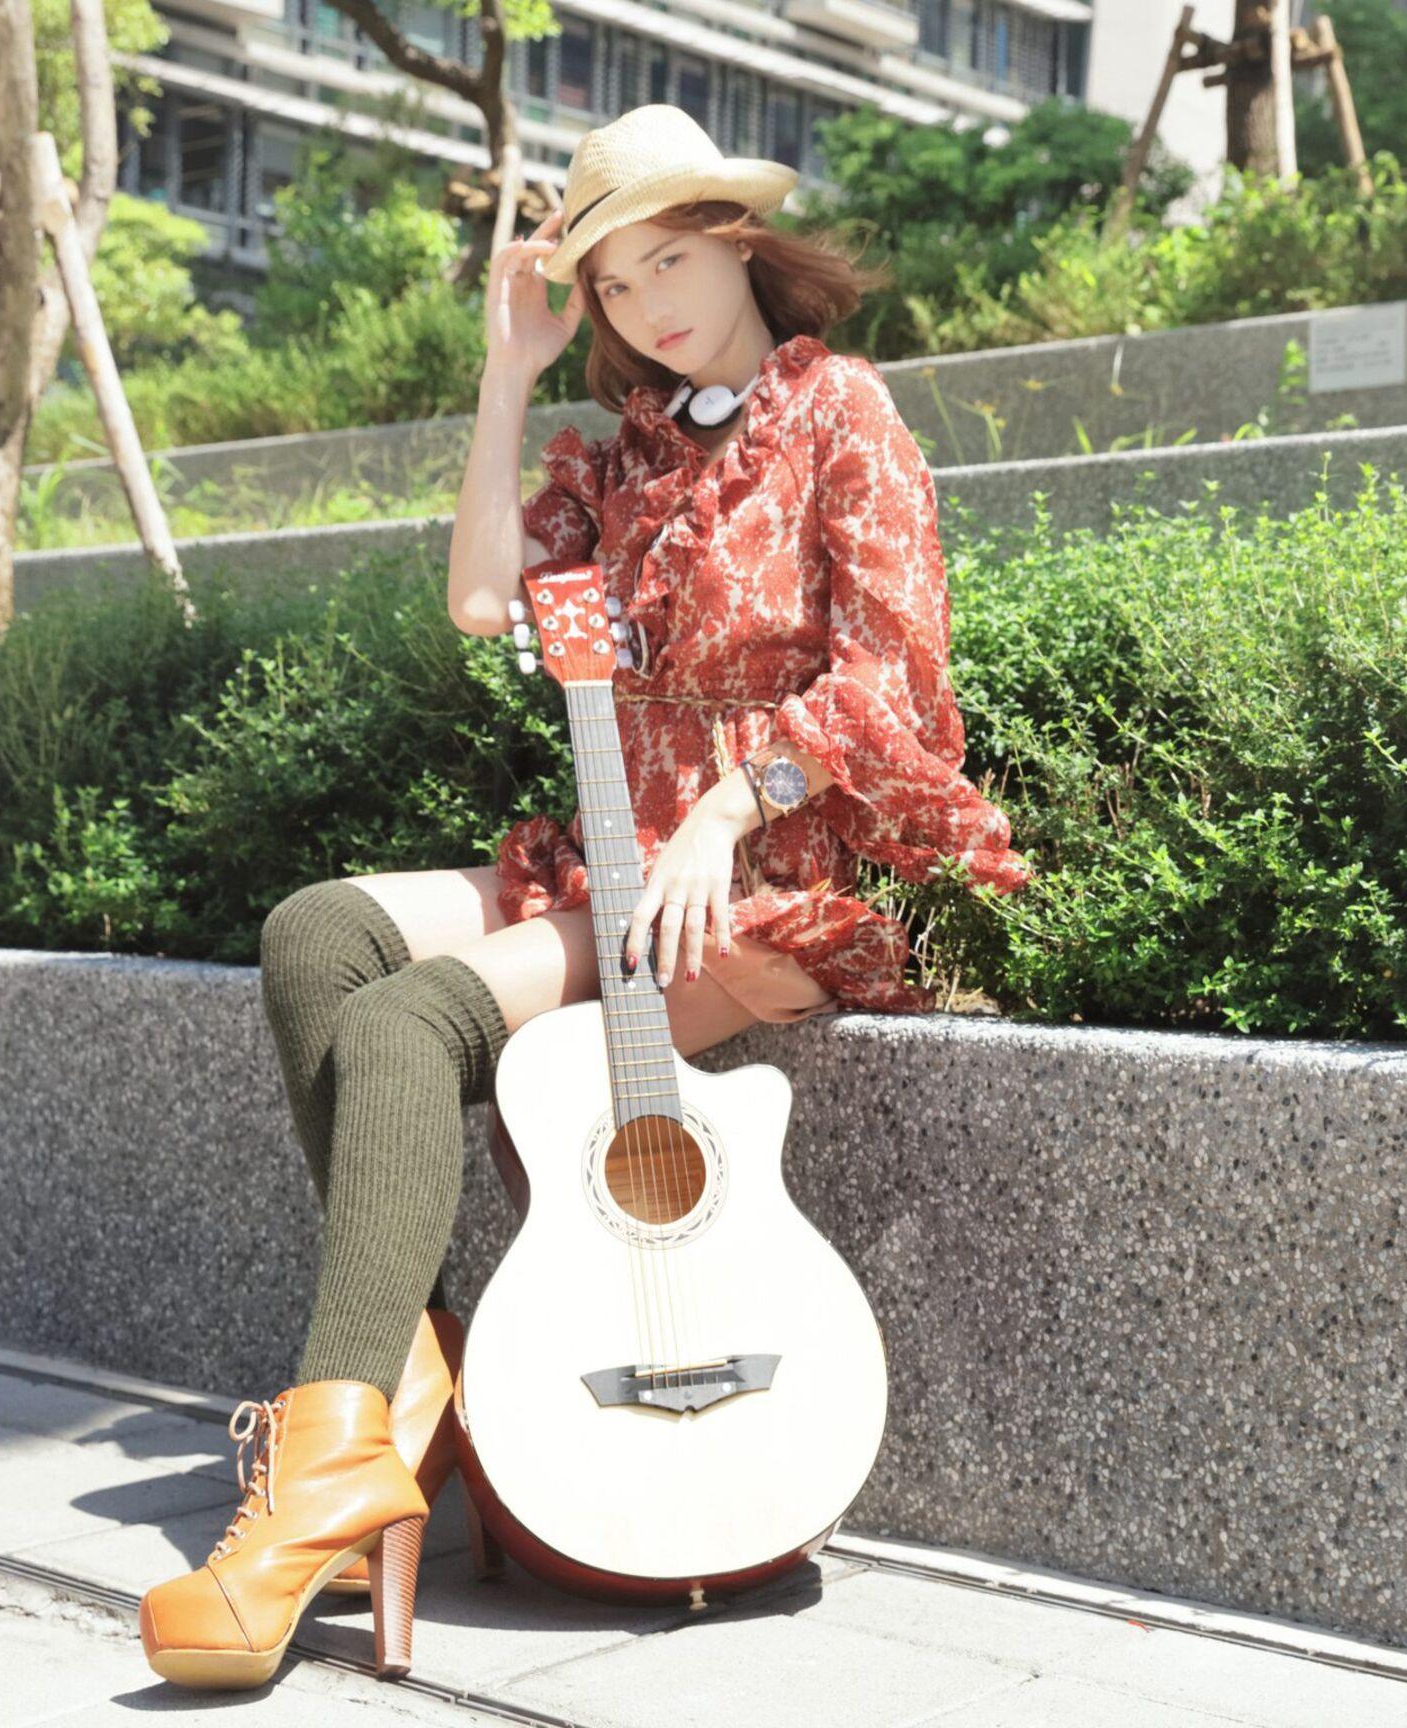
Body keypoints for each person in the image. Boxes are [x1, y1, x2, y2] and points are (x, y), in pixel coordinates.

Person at [137, 104, 1028, 1691]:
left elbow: (892, 675)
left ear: (740, 244)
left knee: (410, 1024)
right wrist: (508, 373)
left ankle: (339, 1450)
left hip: (763, 880)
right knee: (315, 933)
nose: (646, 303)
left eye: (669, 260)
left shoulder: (841, 412)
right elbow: (485, 597)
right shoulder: (621, 459)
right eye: (614, 283)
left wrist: (730, 814)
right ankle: (408, 1379)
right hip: (623, 851)